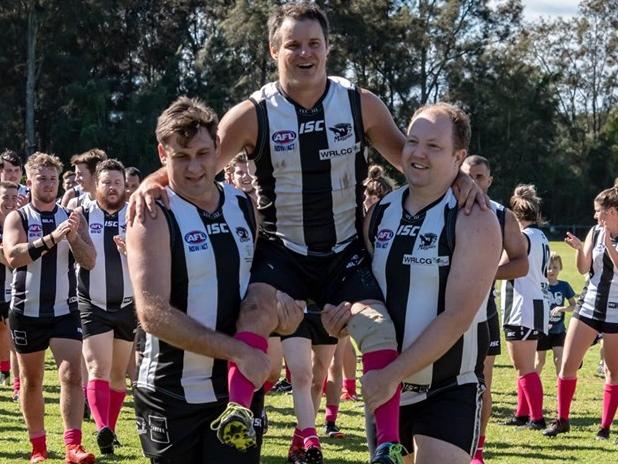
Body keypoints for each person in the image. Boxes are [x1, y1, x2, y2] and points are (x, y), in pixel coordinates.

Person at [128, 4, 485, 463]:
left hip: (344, 252)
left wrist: (460, 176)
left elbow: (414, 159)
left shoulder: (360, 103)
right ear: (274, 49)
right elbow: (194, 164)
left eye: (314, 43)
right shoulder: (253, 112)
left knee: (379, 329)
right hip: (282, 252)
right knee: (255, 310)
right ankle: (237, 411)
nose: (304, 53)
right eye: (293, 44)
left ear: (328, 49)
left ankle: (389, 445)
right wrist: (146, 184)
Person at [127, 96, 300, 463]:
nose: (194, 168)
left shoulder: (241, 206)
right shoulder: (152, 214)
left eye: (203, 154)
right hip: (172, 393)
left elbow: (256, 287)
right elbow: (152, 314)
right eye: (181, 157)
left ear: (219, 148)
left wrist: (285, 316)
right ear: (162, 153)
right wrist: (237, 350)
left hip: (237, 390)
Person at [360, 103, 501, 464]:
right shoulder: (380, 213)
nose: (418, 153)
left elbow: (457, 316)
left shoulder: (475, 219)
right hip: (387, 391)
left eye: (434, 147)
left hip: (448, 388)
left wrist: (391, 374)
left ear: (459, 157)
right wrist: (341, 313)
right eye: (412, 141)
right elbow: (363, 291)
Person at [4, 152, 96, 464]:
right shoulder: (18, 217)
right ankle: (38, 448)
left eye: (53, 178)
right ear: (28, 183)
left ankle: (73, 446)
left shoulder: (72, 217)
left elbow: (90, 260)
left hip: (64, 309)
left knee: (71, 374)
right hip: (26, 310)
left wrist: (73, 238)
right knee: (32, 382)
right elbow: (13, 256)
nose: (49, 184)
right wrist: (51, 239)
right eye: (42, 178)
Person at [462, 155, 528, 464]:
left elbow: (522, 263)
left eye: (479, 176)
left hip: (483, 313)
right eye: (467, 175)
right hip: (439, 312)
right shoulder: (441, 209)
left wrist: (489, 273)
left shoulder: (502, 216)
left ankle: (478, 448)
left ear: (489, 180)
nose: (473, 181)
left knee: (481, 384)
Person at [544, 186, 618, 441]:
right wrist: (579, 250)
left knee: (613, 371)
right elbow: (584, 268)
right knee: (567, 363)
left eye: (598, 212)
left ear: (611, 212)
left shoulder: (607, 236)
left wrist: (610, 245)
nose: (595, 217)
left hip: (615, 311)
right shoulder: (595, 232)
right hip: (589, 304)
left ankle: (605, 427)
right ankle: (562, 420)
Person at [78, 159, 135, 455]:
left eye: (117, 182)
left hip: (127, 305)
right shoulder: (83, 213)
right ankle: (102, 427)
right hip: (93, 303)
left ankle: (109, 432)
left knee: (117, 375)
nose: (112, 188)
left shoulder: (136, 214)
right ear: (96, 185)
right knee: (97, 368)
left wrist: (133, 250)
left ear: (125, 185)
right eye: (106, 182)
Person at [501, 185, 550, 430]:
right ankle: (522, 414)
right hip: (537, 303)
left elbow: (503, 265)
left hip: (521, 305)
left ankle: (537, 418)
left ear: (515, 214)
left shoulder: (522, 237)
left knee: (524, 367)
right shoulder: (541, 236)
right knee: (523, 365)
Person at [535, 252, 576, 376]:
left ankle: (561, 387)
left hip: (558, 331)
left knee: (559, 360)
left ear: (560, 268)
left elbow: (574, 306)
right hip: (542, 330)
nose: (551, 270)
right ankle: (531, 387)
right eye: (548, 267)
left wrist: (562, 308)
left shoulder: (564, 286)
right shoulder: (539, 285)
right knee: (539, 361)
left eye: (555, 267)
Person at [0, 182, 19, 388]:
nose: (10, 202)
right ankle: (4, 371)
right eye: (6, 197)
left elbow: (19, 261)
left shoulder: (20, 222)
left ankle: (16, 385)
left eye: (14, 198)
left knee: (14, 339)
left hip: (13, 288)